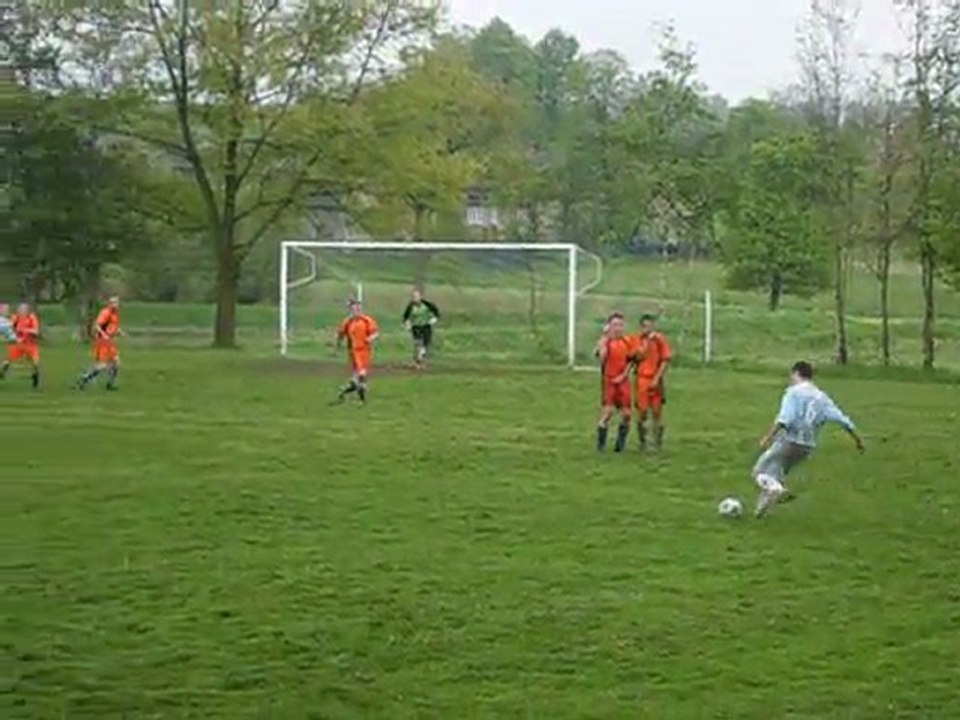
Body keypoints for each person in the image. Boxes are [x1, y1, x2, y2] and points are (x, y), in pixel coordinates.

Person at [753, 360, 865, 518]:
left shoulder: (793, 392)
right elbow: (843, 420)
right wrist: (858, 440)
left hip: (789, 440)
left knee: (759, 471)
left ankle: (778, 491)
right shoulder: (822, 397)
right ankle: (761, 512)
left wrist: (767, 437)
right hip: (807, 446)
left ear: (795, 373)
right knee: (775, 475)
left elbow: (785, 419)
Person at [595, 313, 642, 452]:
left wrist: (624, 375)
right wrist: (604, 339)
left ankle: (620, 446)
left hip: (623, 381)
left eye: (620, 325)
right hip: (609, 381)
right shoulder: (605, 342)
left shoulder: (627, 342)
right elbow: (602, 358)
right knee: (608, 413)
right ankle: (601, 445)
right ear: (609, 326)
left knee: (627, 414)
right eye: (615, 325)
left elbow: (632, 361)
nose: (618, 328)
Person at [633, 313, 672, 450]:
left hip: (655, 378)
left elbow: (665, 360)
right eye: (645, 326)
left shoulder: (660, 340)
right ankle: (642, 441)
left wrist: (657, 378)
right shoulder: (638, 340)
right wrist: (641, 350)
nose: (647, 329)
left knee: (657, 411)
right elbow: (633, 358)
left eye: (650, 326)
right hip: (642, 378)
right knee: (642, 411)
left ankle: (657, 442)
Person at [333, 299, 379, 405]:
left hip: (364, 351)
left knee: (361, 374)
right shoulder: (348, 322)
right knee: (356, 377)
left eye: (358, 308)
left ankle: (360, 399)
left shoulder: (367, 320)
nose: (356, 311)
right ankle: (347, 392)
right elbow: (340, 334)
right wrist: (337, 347)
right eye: (354, 309)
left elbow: (375, 333)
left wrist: (370, 338)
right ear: (350, 310)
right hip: (352, 352)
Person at [76, 296, 122, 391]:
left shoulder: (116, 314)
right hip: (103, 342)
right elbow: (97, 326)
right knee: (102, 366)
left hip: (110, 341)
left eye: (117, 302)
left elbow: (112, 326)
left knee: (116, 363)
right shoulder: (105, 312)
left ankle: (110, 384)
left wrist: (118, 331)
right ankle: (84, 378)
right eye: (114, 302)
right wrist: (104, 335)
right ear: (109, 303)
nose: (116, 304)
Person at [0, 302, 41, 389]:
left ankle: (35, 376)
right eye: (20, 309)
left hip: (31, 345)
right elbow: (9, 326)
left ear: (27, 310)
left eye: (23, 309)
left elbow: (36, 331)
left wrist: (25, 330)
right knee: (6, 362)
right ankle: (2, 373)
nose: (21, 311)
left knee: (35, 363)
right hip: (18, 344)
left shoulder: (31, 318)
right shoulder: (16, 318)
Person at [402, 288, 440, 369]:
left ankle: (421, 360)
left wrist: (434, 319)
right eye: (413, 297)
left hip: (426, 326)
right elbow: (406, 316)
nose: (415, 298)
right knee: (417, 344)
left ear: (420, 297)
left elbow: (436, 312)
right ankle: (417, 362)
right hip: (416, 327)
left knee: (425, 345)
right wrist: (407, 324)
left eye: (416, 296)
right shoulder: (411, 306)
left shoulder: (427, 304)